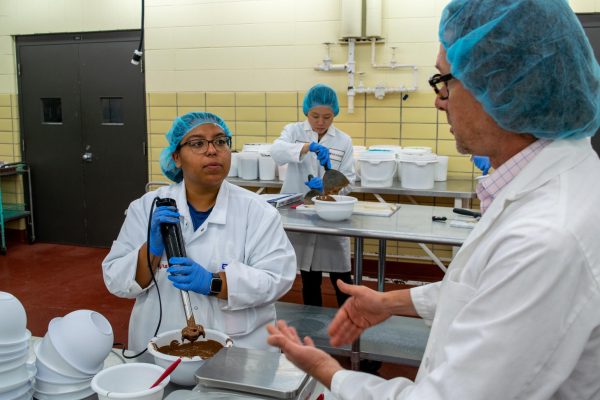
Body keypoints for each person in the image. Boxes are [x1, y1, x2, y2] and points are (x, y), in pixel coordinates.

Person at [267, 1, 600, 399]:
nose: (439, 100)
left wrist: (329, 371)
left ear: (496, 85)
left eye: (444, 81)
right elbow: (484, 287)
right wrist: (393, 302)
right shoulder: (556, 182)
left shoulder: (544, 237)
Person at [102, 112, 296, 356]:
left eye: (220, 141)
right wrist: (150, 250)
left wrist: (213, 282)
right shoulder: (146, 207)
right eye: (197, 143)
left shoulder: (257, 211)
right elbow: (116, 281)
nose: (212, 150)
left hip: (240, 350)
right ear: (176, 157)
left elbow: (277, 279)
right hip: (160, 345)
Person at [271, 84, 356, 307]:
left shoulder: (343, 141)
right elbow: (277, 152)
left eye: (327, 117)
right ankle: (312, 324)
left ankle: (350, 320)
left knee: (342, 277)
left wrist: (327, 184)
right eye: (314, 116)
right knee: (309, 276)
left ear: (334, 114)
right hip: (300, 212)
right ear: (306, 112)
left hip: (331, 214)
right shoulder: (294, 131)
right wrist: (306, 147)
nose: (320, 122)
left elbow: (349, 179)